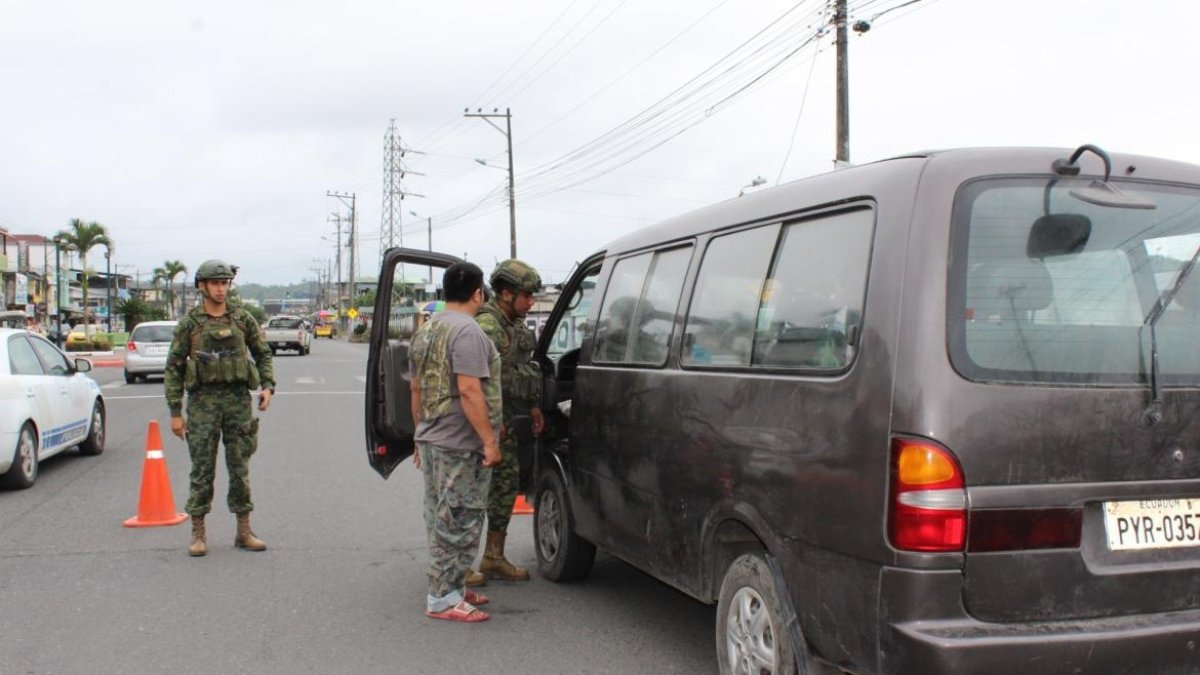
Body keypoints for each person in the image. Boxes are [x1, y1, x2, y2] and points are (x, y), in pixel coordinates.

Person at [410, 262, 502, 622]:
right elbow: (469, 389)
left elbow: (416, 388)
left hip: (433, 437)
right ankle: (442, 599)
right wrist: (489, 441)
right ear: (478, 294)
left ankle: (454, 587)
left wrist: (418, 434)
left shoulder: (426, 329)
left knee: (441, 514)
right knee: (460, 518)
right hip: (459, 443)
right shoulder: (467, 331)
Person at [164, 259, 275, 557]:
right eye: (215, 283)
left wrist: (267, 386)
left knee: (240, 468)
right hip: (203, 404)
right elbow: (174, 368)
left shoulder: (242, 319)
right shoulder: (190, 324)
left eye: (225, 283)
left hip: (238, 401)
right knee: (202, 469)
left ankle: (244, 530)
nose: (221, 289)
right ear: (202, 286)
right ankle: (198, 533)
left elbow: (262, 353)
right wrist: (175, 412)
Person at [466, 259, 544, 586]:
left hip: (507, 420)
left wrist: (534, 406)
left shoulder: (514, 324)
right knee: (472, 492)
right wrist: (489, 424)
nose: (531, 302)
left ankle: (493, 556)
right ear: (507, 294)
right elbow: (475, 380)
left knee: (505, 487)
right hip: (483, 425)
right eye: (527, 295)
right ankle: (458, 564)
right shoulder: (488, 326)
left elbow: (523, 369)